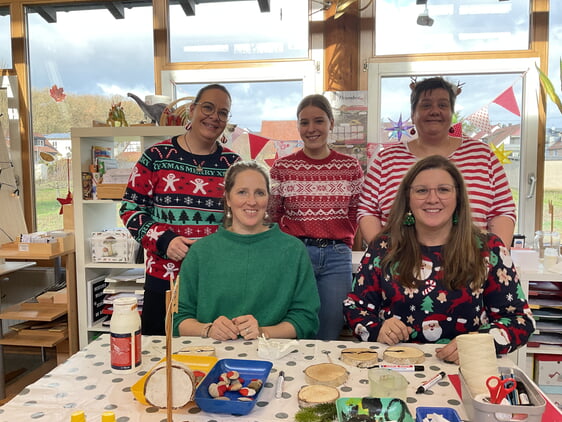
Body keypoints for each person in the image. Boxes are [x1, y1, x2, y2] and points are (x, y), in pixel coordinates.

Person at [344, 155, 534, 364]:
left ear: (458, 197)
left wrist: (480, 343)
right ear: (408, 198)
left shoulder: (488, 249)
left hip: (468, 368)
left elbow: (521, 320)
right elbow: (355, 308)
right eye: (422, 190)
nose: (432, 199)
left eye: (443, 190)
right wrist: (378, 329)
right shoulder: (383, 247)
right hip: (395, 368)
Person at [120, 84, 240, 335]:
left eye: (223, 112)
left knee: (215, 350)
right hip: (164, 280)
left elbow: (239, 218)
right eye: (208, 107)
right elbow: (130, 209)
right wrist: (164, 240)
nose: (214, 117)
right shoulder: (155, 157)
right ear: (193, 110)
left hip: (216, 280)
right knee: (160, 354)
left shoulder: (233, 164)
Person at [358, 76, 516, 248]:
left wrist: (494, 257)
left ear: (451, 113)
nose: (434, 111)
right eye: (426, 105)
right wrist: (383, 255)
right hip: (400, 268)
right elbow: (367, 210)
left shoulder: (483, 156)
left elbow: (503, 211)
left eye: (443, 105)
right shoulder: (386, 160)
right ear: (413, 113)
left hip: (471, 266)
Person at [173, 161, 320, 340]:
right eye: (242, 192)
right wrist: (208, 329)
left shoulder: (294, 251)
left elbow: (306, 319)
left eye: (259, 193)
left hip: (275, 356)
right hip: (210, 357)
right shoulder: (200, 252)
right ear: (227, 198)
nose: (251, 202)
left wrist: (262, 332)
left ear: (269, 198)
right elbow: (177, 318)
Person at [268, 94, 364, 340]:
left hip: (337, 257)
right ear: (298, 126)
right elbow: (272, 214)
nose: (311, 129)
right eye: (304, 122)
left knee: (331, 329)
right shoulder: (282, 168)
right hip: (296, 253)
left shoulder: (350, 167)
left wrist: (343, 242)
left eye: (319, 121)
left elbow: (356, 212)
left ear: (331, 123)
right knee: (293, 326)